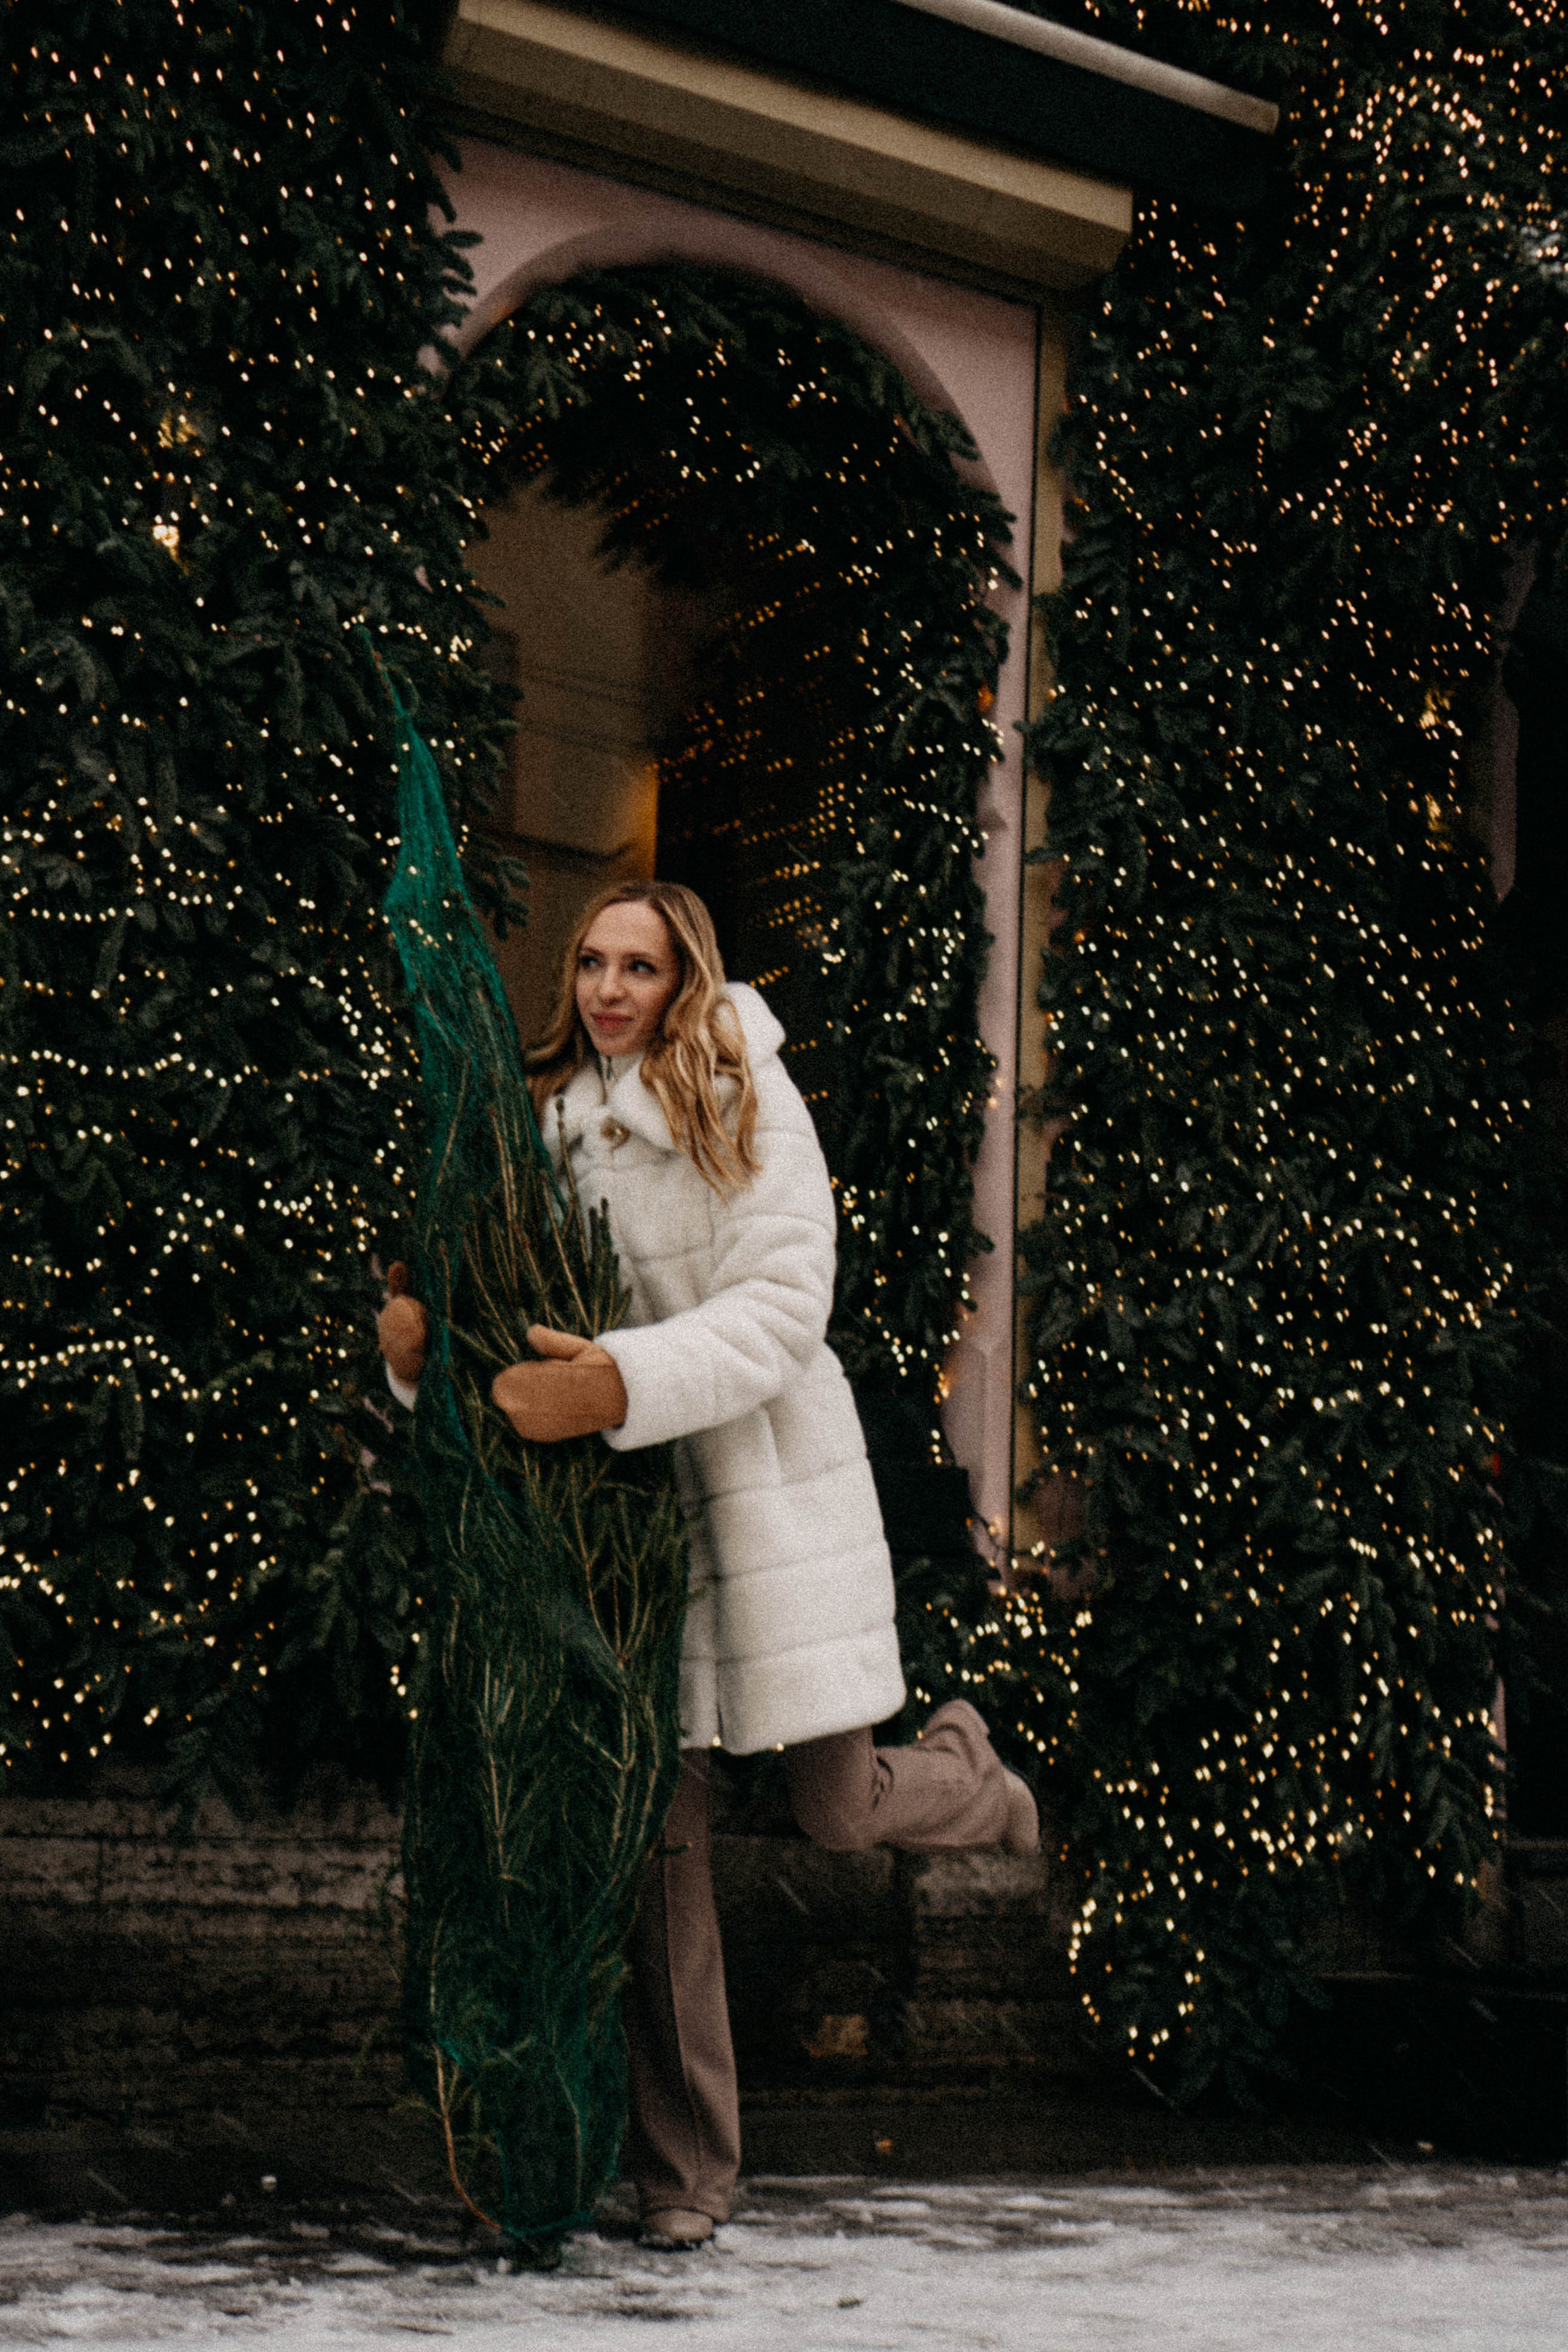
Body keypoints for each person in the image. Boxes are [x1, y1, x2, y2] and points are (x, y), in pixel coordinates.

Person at [377, 879, 1037, 2252]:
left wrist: (621, 1381)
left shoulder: (744, 1094)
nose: (610, 991)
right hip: (622, 1533)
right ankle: (688, 2175)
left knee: (836, 1809)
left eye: (641, 967)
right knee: (657, 1851)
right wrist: (420, 1360)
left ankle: (971, 1775)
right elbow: (507, 1318)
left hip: (766, 1499)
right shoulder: (549, 1123)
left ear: (686, 978)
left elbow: (785, 1307)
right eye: (592, 963)